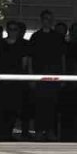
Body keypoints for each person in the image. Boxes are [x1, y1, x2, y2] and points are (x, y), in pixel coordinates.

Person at [28, 11, 64, 141]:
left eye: (49, 19)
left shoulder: (58, 37)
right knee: (39, 105)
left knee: (53, 105)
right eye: (45, 19)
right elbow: (30, 58)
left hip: (54, 76)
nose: (47, 21)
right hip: (38, 76)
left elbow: (62, 57)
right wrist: (31, 76)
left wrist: (62, 76)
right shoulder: (35, 37)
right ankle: (38, 131)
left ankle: (51, 131)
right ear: (41, 20)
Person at [0, 21, 30, 140]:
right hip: (1, 81)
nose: (13, 31)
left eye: (15, 29)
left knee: (14, 109)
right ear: (7, 30)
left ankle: (8, 133)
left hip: (16, 81)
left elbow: (25, 63)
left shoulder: (23, 44)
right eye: (10, 29)